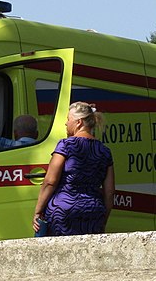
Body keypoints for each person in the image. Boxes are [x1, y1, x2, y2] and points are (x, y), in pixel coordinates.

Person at [32, 101, 115, 236]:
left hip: (63, 211)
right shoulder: (104, 151)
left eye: (68, 119)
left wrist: (38, 210)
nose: (66, 123)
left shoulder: (66, 145)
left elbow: (50, 181)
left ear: (79, 122)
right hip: (93, 211)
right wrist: (102, 219)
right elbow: (110, 192)